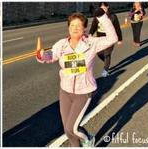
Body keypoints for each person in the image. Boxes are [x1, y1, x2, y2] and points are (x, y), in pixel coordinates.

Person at [36, 9, 117, 147]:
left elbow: (112, 38)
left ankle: (89, 139)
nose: (75, 28)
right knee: (67, 130)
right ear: (68, 27)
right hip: (65, 91)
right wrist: (42, 55)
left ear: (84, 28)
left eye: (79, 25)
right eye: (72, 25)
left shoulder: (92, 43)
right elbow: (51, 56)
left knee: (72, 128)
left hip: (84, 92)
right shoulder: (61, 44)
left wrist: (102, 17)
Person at [89, 2, 123, 78]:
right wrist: (90, 34)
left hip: (110, 37)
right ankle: (107, 63)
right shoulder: (98, 16)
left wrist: (119, 39)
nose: (103, 9)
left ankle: (106, 70)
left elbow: (117, 28)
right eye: (101, 8)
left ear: (107, 7)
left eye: (104, 7)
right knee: (99, 53)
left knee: (107, 54)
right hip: (100, 37)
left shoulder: (113, 16)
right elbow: (94, 26)